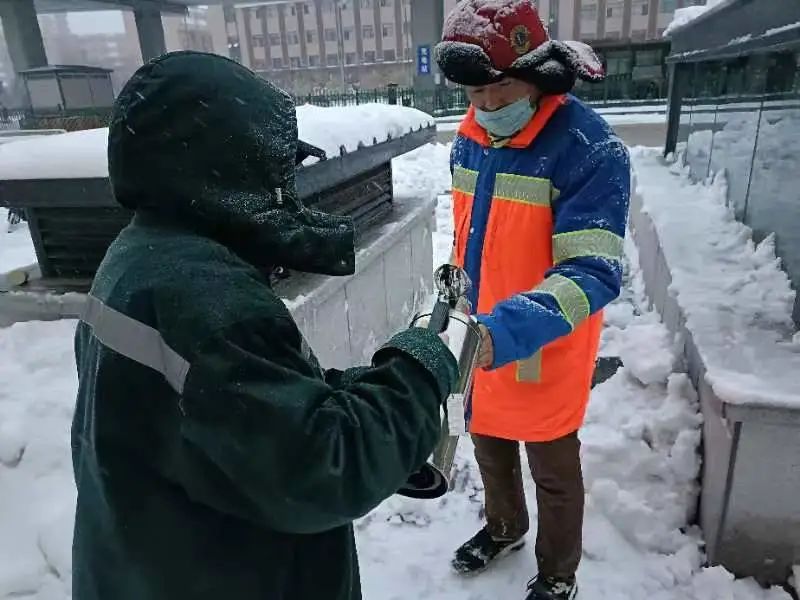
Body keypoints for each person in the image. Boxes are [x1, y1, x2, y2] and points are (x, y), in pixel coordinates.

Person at [71, 51, 459, 600]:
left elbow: (226, 409)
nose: (286, 191)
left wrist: (349, 392)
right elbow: (326, 466)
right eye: (276, 172)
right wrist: (420, 369)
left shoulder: (138, 260)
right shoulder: (206, 300)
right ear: (223, 168)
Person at [434, 1, 631, 599]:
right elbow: (473, 232)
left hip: (546, 344)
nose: (487, 106)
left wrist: (507, 331)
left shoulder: (589, 149)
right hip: (481, 335)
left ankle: (558, 570)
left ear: (538, 72)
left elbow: (591, 271)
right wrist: (453, 293)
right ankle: (504, 528)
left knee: (553, 471)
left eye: (499, 87)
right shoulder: (470, 140)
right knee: (490, 447)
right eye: (473, 93)